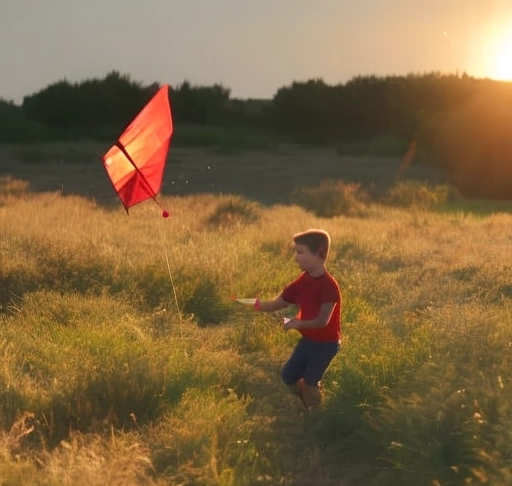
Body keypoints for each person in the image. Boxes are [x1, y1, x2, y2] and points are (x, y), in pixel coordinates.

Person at [254, 229, 342, 408]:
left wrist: (296, 323)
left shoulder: (329, 287)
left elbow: (322, 321)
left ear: (320, 253)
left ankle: (315, 418)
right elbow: (279, 303)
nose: (296, 257)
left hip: (326, 344)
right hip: (308, 340)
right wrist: (255, 305)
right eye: (296, 252)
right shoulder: (303, 281)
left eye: (301, 252)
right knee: (288, 375)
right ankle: (308, 401)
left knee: (310, 382)